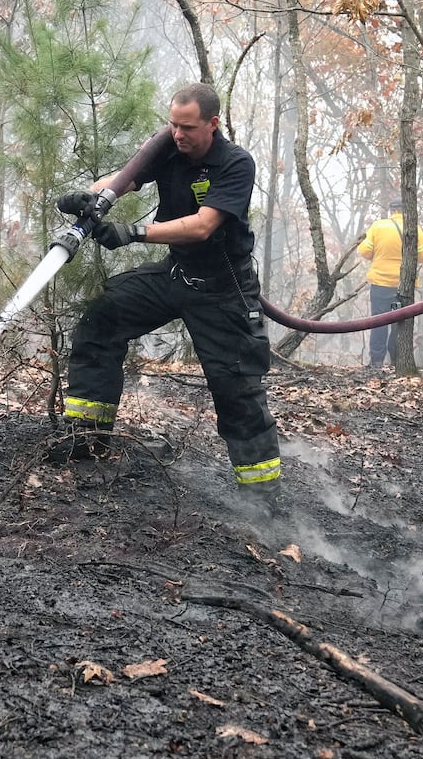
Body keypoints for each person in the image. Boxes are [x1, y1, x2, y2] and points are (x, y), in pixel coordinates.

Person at [51, 83, 281, 512]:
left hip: (222, 292)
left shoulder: (234, 164)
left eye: (188, 127)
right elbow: (124, 180)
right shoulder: (169, 147)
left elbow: (201, 226)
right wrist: (89, 195)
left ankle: (261, 496)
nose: (177, 134)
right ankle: (88, 439)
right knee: (101, 321)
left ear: (213, 123)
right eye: (173, 124)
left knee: (236, 387)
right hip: (176, 274)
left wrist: (134, 233)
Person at [357, 197, 423, 370]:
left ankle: (376, 361)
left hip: (380, 283)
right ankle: (397, 360)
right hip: (404, 286)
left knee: (378, 321)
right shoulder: (414, 229)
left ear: (392, 211)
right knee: (400, 323)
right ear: (406, 211)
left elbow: (364, 251)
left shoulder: (378, 226)